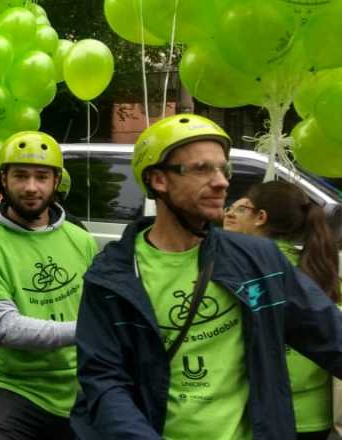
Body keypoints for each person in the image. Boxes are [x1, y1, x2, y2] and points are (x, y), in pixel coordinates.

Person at [72, 114, 342, 440]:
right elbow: (104, 381)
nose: (223, 182)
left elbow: (330, 336)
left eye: (223, 169)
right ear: (158, 180)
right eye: (202, 169)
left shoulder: (258, 260)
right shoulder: (111, 278)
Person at [0, 132, 97, 440]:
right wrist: (90, 330)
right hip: (11, 386)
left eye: (41, 176)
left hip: (77, 388)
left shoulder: (82, 240)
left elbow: (96, 307)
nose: (31, 187)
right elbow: (5, 327)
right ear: (3, 180)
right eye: (20, 176)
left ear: (56, 181)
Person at [224, 180, 341, 440]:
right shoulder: (319, 267)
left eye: (243, 210)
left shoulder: (251, 272)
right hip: (315, 416)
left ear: (260, 218)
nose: (230, 214)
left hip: (266, 414)